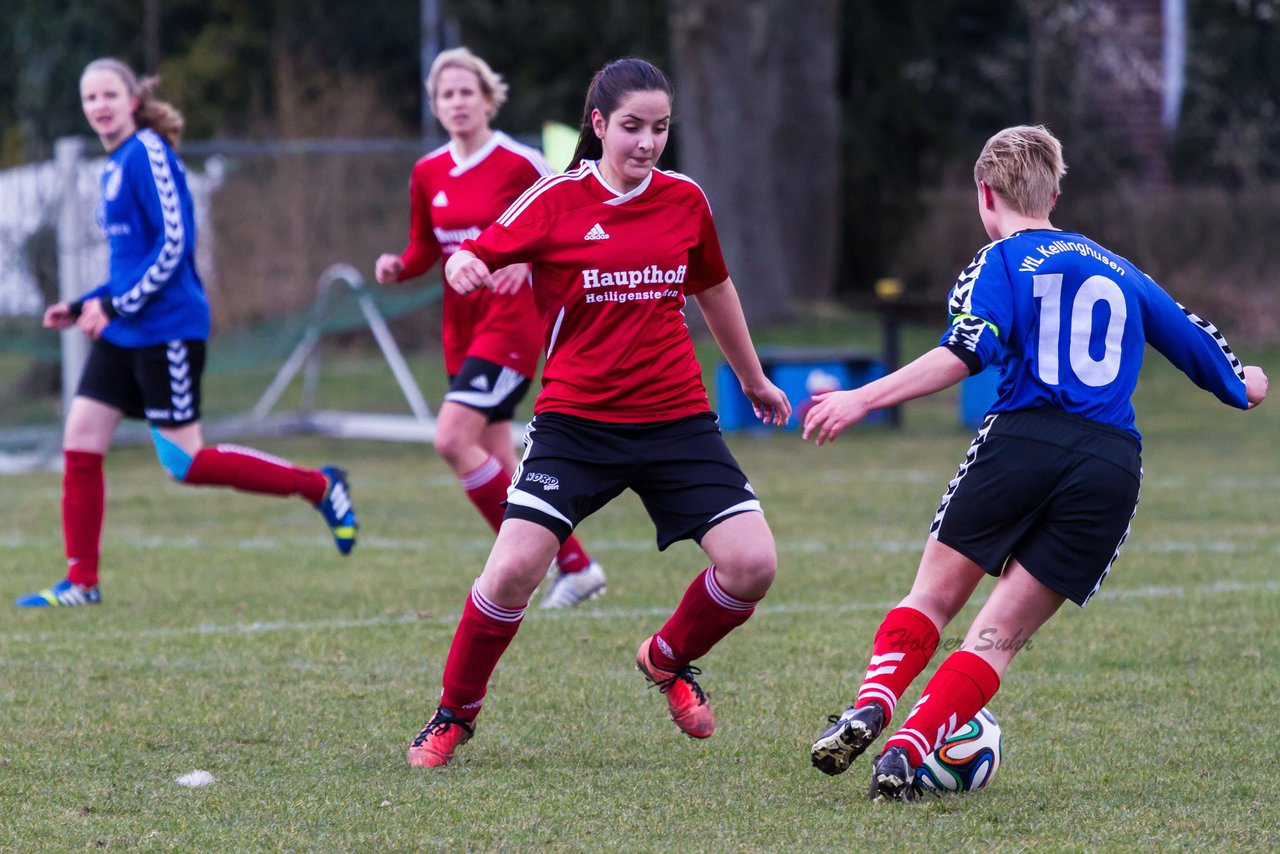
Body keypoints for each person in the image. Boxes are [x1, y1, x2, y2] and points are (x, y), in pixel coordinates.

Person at [803, 125, 1268, 801]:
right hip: (1110, 465)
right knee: (998, 635)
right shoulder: (1121, 268)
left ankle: (874, 702)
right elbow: (1219, 368)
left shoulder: (998, 262)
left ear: (985, 196)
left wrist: (862, 398)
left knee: (933, 597)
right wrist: (1252, 382)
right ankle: (906, 750)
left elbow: (966, 351)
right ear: (1056, 191)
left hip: (1025, 440)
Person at [404, 57, 792, 768]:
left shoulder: (684, 201)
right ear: (599, 125)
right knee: (513, 571)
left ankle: (666, 658)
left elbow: (715, 290)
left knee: (753, 565)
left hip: (676, 418)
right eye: (633, 128)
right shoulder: (556, 200)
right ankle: (453, 715)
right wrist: (464, 266)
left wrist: (754, 379)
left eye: (661, 129)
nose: (647, 143)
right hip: (577, 424)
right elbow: (482, 252)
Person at [17, 58, 359, 609]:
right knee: (80, 439)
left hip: (168, 330)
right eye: (89, 99)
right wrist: (85, 304)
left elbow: (175, 244)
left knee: (185, 463)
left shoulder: (148, 152)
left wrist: (113, 303)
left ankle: (320, 485)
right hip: (125, 329)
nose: (98, 106)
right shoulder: (112, 167)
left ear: (132, 100)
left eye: (108, 95)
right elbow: (132, 261)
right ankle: (81, 582)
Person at [374, 47, 606, 609]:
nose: (456, 102)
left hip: (513, 325)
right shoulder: (428, 171)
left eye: (465, 92)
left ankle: (569, 565)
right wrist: (400, 266)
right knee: (502, 465)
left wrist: (526, 261)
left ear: (487, 98)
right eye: (445, 94)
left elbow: (568, 219)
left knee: (451, 439)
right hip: (463, 331)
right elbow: (426, 246)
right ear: (435, 105)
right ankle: (571, 569)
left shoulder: (521, 163)